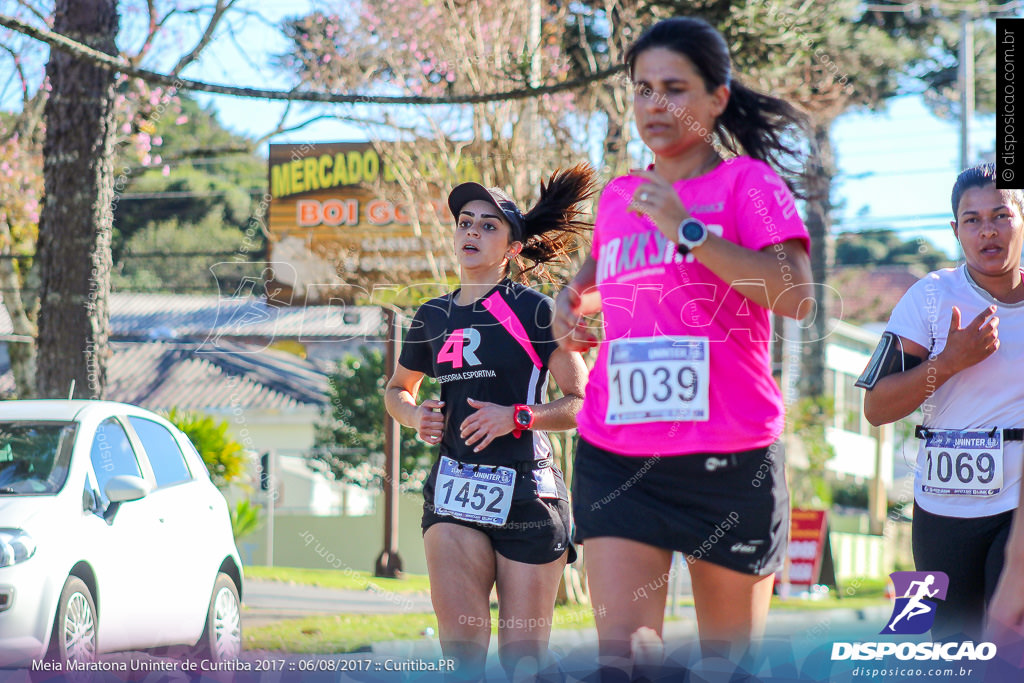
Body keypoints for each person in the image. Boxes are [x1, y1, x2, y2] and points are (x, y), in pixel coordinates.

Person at [551, 16, 813, 672]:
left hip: (729, 456)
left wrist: (688, 228)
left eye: (674, 88)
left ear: (717, 97)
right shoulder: (619, 197)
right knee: (627, 659)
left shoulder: (747, 186)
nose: (655, 105)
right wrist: (570, 301)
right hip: (619, 452)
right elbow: (599, 277)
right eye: (642, 89)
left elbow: (795, 294)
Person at [384, 166, 594, 681]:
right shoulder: (431, 316)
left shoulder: (537, 311)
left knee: (522, 659)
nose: (472, 232)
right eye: (465, 222)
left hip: (529, 493)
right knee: (462, 655)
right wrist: (415, 415)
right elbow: (397, 389)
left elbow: (584, 402)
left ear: (513, 249)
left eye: (488, 226)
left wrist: (518, 416)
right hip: (454, 489)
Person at [862, 163, 1024, 642]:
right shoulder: (930, 297)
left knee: (1009, 641)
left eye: (1001, 214)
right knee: (949, 652)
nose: (987, 230)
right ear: (955, 231)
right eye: (972, 220)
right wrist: (948, 363)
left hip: (1018, 500)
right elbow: (875, 407)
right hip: (941, 505)